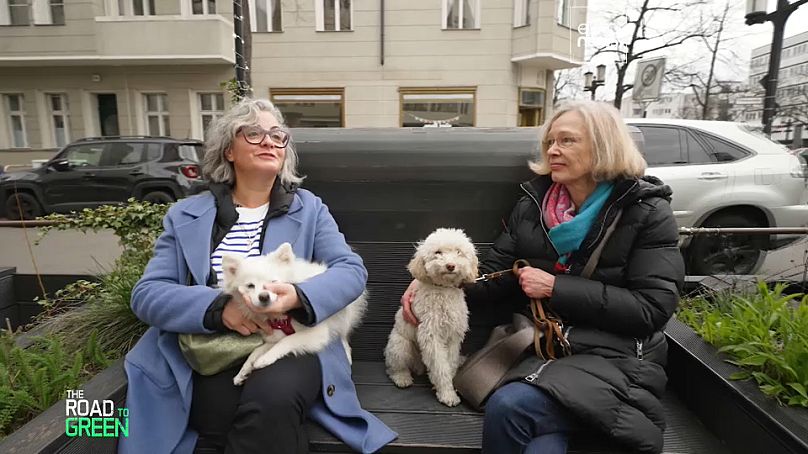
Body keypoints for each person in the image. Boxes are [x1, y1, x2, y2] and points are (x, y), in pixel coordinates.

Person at [401, 100, 685, 454]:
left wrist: (556, 287)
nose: (553, 150)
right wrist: (431, 284)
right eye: (550, 141)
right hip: (542, 347)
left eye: (567, 141)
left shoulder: (647, 211)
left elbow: (651, 310)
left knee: (510, 408)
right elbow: (492, 277)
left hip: (616, 355)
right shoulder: (533, 206)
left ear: (603, 145)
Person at [119, 98, 397, 454]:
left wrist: (298, 296)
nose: (269, 141)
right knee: (218, 412)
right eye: (254, 133)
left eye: (277, 136)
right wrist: (221, 309)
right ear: (228, 150)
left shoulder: (309, 209)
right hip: (210, 347)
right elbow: (147, 294)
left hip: (291, 340)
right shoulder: (186, 215)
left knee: (271, 401)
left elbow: (351, 272)